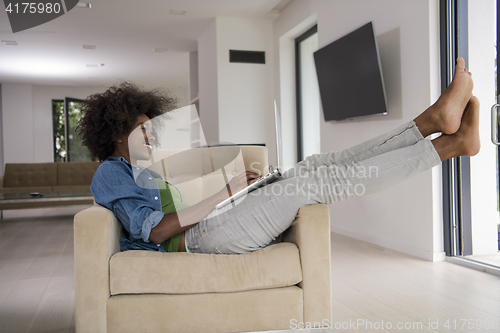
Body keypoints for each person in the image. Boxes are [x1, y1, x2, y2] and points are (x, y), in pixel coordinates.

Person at [79, 58, 479, 254]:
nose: (151, 135)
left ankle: (429, 122)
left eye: (151, 127)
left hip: (217, 222)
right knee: (316, 184)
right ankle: (449, 146)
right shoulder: (110, 173)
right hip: (198, 242)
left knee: (318, 165)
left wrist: (233, 191)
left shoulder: (141, 171)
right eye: (143, 128)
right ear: (116, 133)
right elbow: (157, 231)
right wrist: (226, 192)